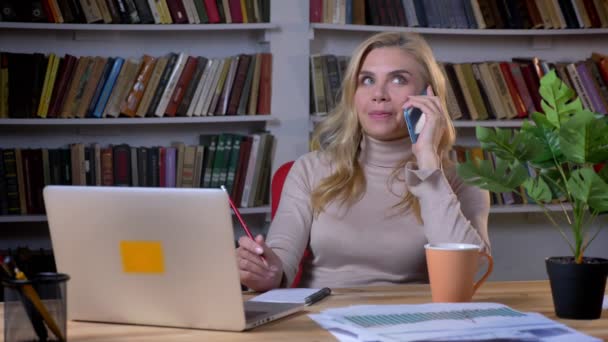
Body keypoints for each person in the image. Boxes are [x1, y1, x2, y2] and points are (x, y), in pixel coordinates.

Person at [237, 32, 490, 291]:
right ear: (353, 94)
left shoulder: (466, 177)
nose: (378, 94)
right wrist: (265, 271)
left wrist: (428, 161)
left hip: (413, 324)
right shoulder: (310, 169)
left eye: (398, 79)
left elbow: (468, 272)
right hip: (321, 320)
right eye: (367, 80)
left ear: (429, 95)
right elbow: (280, 262)